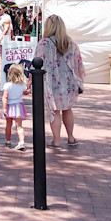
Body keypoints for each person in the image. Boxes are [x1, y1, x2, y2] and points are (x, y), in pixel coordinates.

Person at [35, 14, 84, 149]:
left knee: (55, 110)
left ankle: (56, 141)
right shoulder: (71, 44)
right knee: (67, 109)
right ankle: (71, 137)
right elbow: (79, 63)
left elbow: (37, 62)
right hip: (69, 82)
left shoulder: (44, 43)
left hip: (52, 82)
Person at [1, 62, 30, 150]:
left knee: (8, 124)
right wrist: (29, 88)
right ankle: (21, 142)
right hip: (18, 106)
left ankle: (8, 140)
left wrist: (4, 108)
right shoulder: (22, 85)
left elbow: (5, 97)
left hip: (10, 106)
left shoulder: (7, 85)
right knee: (19, 126)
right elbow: (26, 92)